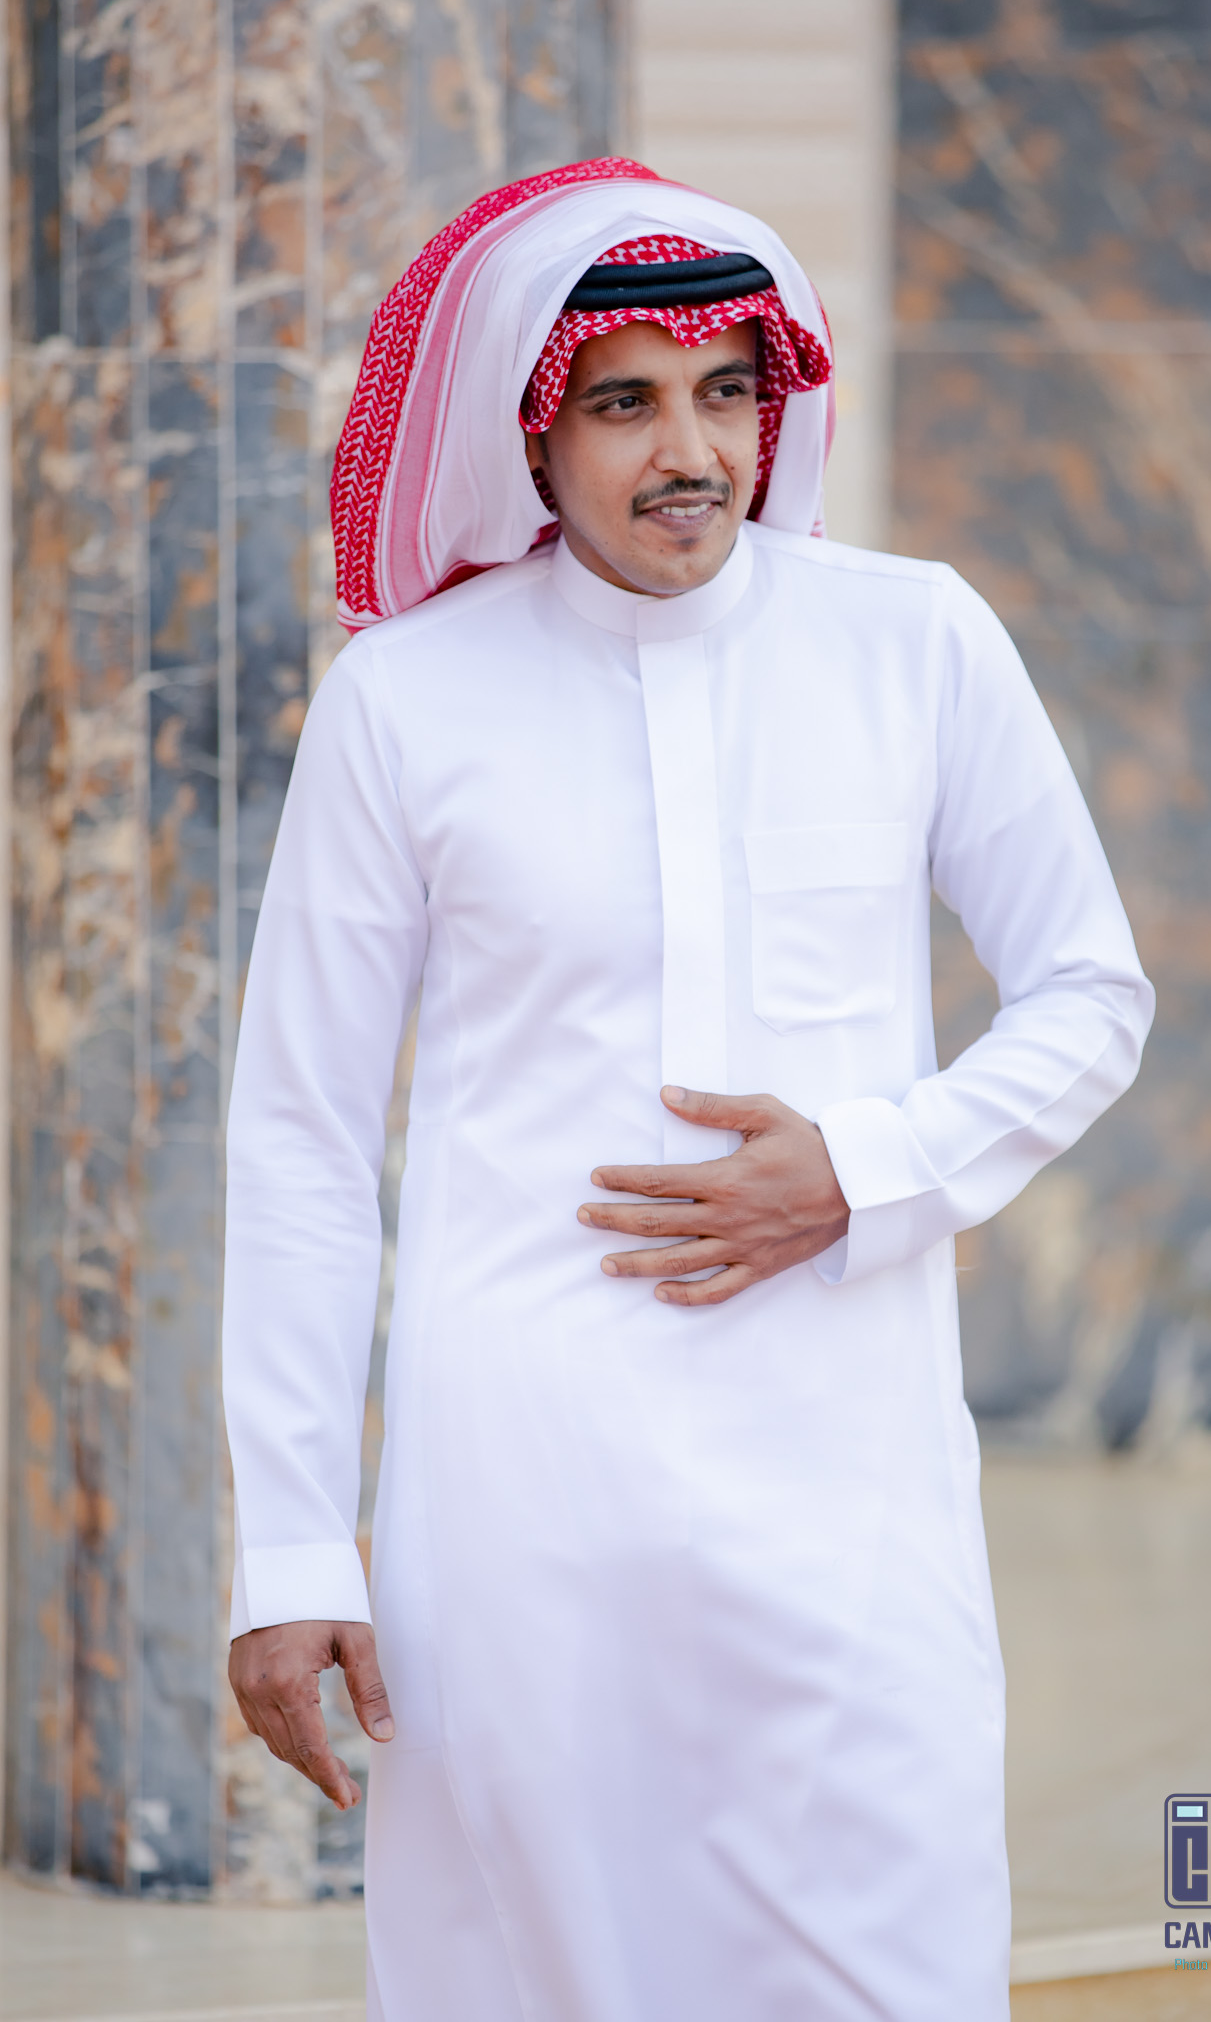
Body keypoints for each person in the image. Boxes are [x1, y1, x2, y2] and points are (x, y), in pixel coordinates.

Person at [223, 158, 1153, 2021]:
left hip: (850, 1492)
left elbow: (1088, 993)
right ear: (534, 435)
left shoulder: (913, 641)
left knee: (892, 1964)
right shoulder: (406, 700)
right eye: (626, 403)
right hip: (520, 1507)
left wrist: (867, 1166)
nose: (691, 452)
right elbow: (302, 1140)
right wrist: (292, 1546)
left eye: (727, 392)